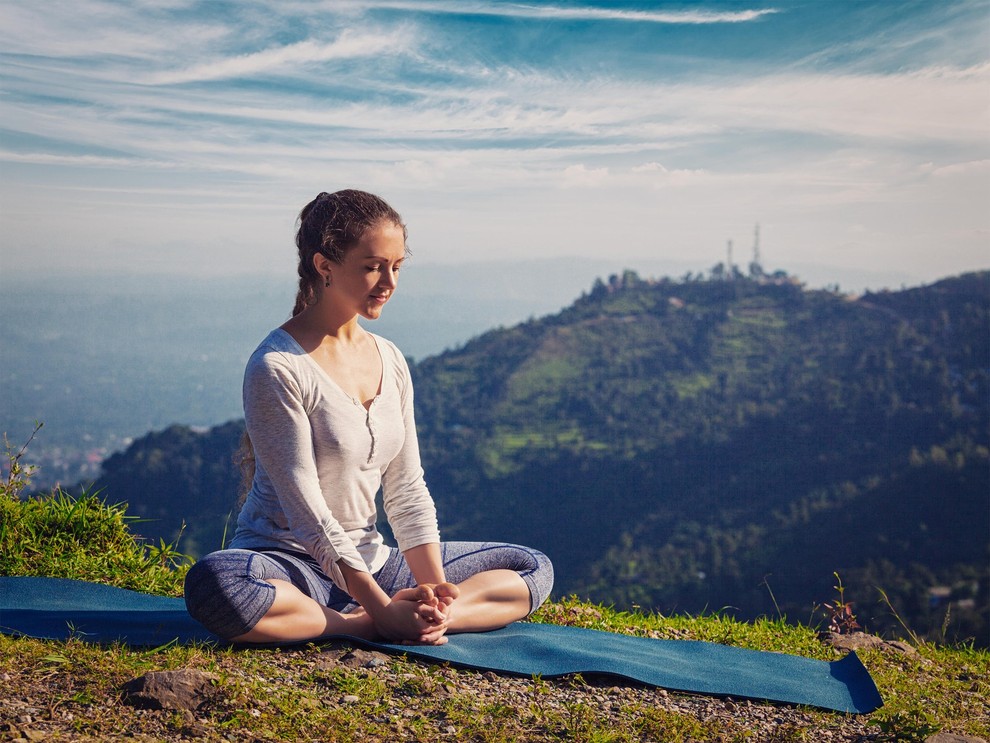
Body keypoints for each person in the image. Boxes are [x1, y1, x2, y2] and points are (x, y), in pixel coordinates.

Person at [184, 189, 553, 645]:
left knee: (531, 567)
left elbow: (407, 489)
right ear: (325, 267)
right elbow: (309, 517)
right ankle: (361, 624)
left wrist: (433, 593)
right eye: (373, 266)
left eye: (397, 266)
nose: (389, 281)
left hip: (376, 562)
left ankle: (429, 620)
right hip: (292, 565)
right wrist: (378, 609)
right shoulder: (277, 366)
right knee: (217, 584)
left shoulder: (390, 358)